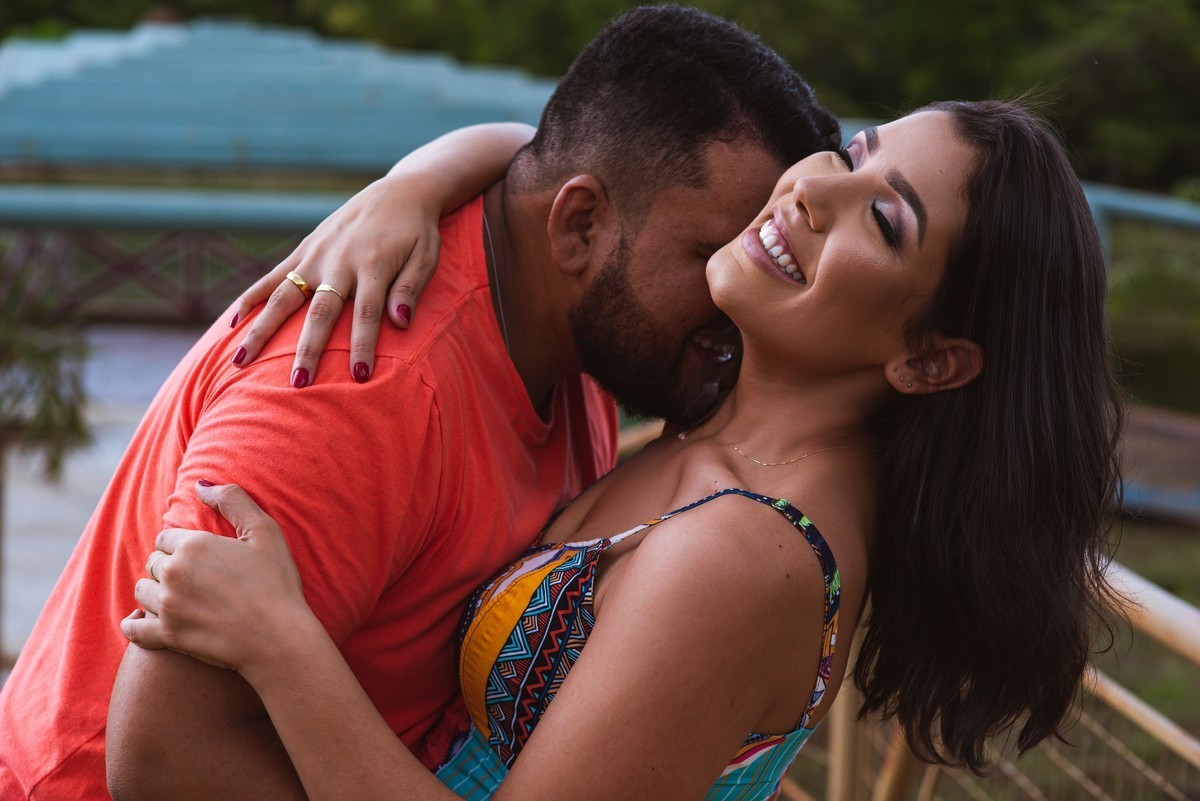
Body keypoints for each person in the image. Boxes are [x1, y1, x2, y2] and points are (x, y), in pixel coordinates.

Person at [119, 100, 1124, 799]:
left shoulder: (748, 554)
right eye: (855, 152)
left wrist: (281, 645)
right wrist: (411, 185)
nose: (819, 189)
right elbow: (567, 154)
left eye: (887, 219)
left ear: (930, 360)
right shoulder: (713, 414)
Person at [0, 8, 842, 800]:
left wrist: (417, 175)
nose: (735, 294)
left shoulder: (576, 329)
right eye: (709, 254)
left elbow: (532, 149)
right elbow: (163, 754)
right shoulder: (364, 384)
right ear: (578, 223)